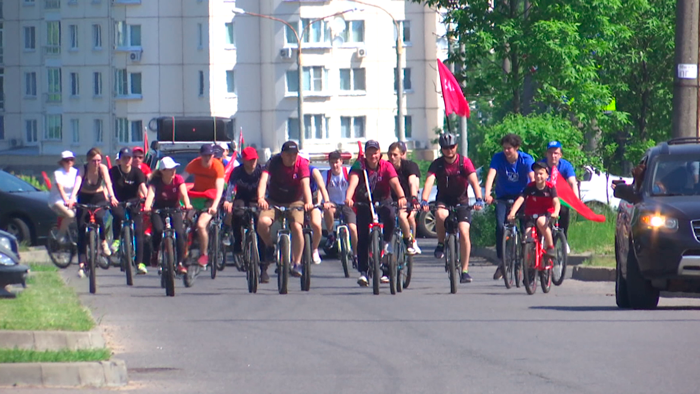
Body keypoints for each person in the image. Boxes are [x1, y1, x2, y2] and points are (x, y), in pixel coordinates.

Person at [421, 133, 484, 283]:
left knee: (464, 231)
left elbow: (474, 181)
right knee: (440, 215)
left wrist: (479, 199)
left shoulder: (464, 162)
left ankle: (465, 270)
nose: (449, 150)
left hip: (461, 200)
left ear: (456, 146)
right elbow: (429, 181)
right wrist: (424, 200)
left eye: (451, 147)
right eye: (445, 148)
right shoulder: (438, 164)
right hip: (444, 198)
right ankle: (441, 243)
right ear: (441, 149)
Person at [344, 140, 406, 287]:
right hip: (364, 202)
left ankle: (386, 246)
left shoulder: (386, 166)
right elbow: (353, 183)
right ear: (365, 154)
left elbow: (395, 183)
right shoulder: (359, 166)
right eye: (370, 152)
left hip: (383, 199)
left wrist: (402, 197)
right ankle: (364, 272)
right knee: (363, 236)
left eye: (375, 152)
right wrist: (348, 198)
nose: (373, 155)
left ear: (380, 153)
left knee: (390, 216)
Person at [257, 141, 313, 277]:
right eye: (288, 155)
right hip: (274, 200)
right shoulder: (274, 162)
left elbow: (305, 185)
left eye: (294, 154)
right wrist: (260, 198)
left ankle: (297, 262)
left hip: (295, 201)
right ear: (282, 155)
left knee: (297, 226)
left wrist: (309, 203)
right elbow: (264, 180)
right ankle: (270, 246)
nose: (292, 157)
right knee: (263, 223)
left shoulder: (302, 164)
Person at [483, 133, 535, 280]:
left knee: (526, 230)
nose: (506, 151)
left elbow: (532, 179)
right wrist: (487, 193)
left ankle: (526, 263)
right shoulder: (498, 158)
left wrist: (532, 193)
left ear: (516, 148)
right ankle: (502, 260)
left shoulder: (526, 160)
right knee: (501, 226)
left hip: (522, 196)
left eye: (509, 149)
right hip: (503, 197)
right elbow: (491, 176)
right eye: (504, 148)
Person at [223, 147, 267, 281]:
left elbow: (268, 185)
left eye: (254, 159)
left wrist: (265, 199)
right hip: (242, 198)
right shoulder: (237, 171)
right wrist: (228, 201)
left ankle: (264, 269)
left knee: (262, 230)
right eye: (249, 160)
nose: (252, 162)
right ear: (243, 160)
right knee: (237, 213)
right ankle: (238, 242)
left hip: (257, 199)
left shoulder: (261, 171)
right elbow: (231, 186)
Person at [73, 148, 119, 278]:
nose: (96, 163)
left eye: (99, 160)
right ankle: (82, 264)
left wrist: (112, 197)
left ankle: (103, 242)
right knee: (81, 229)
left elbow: (108, 184)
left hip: (98, 198)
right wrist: (72, 198)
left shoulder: (102, 168)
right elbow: (77, 184)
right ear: (88, 160)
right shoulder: (83, 169)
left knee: (99, 216)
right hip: (84, 198)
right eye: (94, 161)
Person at [143, 157, 193, 275]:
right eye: (170, 169)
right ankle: (155, 252)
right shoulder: (155, 181)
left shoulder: (178, 179)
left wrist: (187, 204)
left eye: (174, 168)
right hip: (158, 209)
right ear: (162, 171)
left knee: (180, 233)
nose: (173, 171)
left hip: (174, 208)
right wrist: (147, 206)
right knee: (159, 230)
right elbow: (150, 195)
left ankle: (180, 262)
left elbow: (184, 194)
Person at [507, 162, 560, 259]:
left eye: (541, 174)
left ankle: (550, 247)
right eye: (536, 174)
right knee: (527, 237)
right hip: (531, 215)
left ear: (547, 175)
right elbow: (520, 200)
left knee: (541, 222)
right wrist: (512, 213)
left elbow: (556, 202)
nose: (538, 176)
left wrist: (556, 212)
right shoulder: (530, 187)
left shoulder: (550, 188)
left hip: (545, 214)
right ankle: (530, 265)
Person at [185, 143, 225, 267]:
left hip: (211, 198)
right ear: (200, 155)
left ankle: (204, 254)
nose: (207, 158)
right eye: (204, 156)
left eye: (209, 155)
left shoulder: (217, 166)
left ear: (213, 155)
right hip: (197, 197)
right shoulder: (194, 163)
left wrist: (214, 207)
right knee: (184, 223)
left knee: (201, 225)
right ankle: (185, 252)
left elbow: (219, 190)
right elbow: (182, 179)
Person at [108, 148, 148, 274]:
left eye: (129, 158)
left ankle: (139, 263)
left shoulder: (137, 172)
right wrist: (109, 197)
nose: (127, 160)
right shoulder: (113, 171)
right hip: (117, 200)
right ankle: (116, 240)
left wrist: (147, 199)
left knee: (138, 230)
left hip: (134, 202)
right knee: (118, 215)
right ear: (119, 160)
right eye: (124, 158)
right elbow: (107, 186)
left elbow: (143, 187)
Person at [323, 150, 358, 267]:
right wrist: (324, 202)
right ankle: (330, 235)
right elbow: (321, 190)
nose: (335, 165)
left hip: (347, 204)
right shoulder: (326, 175)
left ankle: (356, 254)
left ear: (341, 162)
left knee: (353, 229)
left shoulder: (347, 172)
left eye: (337, 162)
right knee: (327, 210)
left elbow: (355, 185)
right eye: (332, 162)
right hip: (333, 204)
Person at [387, 141, 422, 255]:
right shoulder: (386, 166)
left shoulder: (409, 166)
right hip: (390, 199)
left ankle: (410, 241)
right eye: (390, 154)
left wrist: (413, 198)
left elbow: (413, 183)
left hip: (407, 198)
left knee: (405, 217)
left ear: (401, 154)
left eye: (395, 155)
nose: (392, 157)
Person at [539, 141, 577, 237]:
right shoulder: (540, 165)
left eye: (556, 153)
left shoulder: (565, 166)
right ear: (546, 154)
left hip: (560, 198)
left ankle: (563, 236)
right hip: (544, 198)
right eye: (550, 153)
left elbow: (572, 182)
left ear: (560, 155)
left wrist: (576, 200)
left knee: (564, 210)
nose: (553, 156)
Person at [300, 151, 332, 265]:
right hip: (298, 199)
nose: (302, 163)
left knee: (316, 224)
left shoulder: (314, 171)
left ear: (308, 162)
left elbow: (322, 187)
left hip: (312, 199)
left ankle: (314, 248)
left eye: (304, 161)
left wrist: (326, 201)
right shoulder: (294, 170)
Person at [48, 151, 79, 242]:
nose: (69, 161)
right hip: (58, 200)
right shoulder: (58, 173)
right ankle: (60, 235)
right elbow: (60, 189)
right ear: (62, 161)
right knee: (70, 215)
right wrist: (66, 200)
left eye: (71, 159)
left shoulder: (76, 172)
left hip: (72, 200)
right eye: (66, 160)